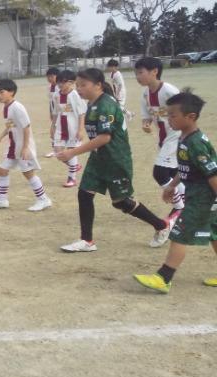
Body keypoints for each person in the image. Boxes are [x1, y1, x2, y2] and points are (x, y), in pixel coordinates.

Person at [57, 68, 171, 253]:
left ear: (98, 85)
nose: (79, 89)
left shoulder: (106, 105)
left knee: (121, 202)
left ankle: (162, 225)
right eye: (77, 85)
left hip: (115, 159)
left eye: (83, 85)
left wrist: (73, 152)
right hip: (98, 158)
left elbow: (104, 137)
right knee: (84, 194)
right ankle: (87, 241)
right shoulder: (92, 103)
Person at [134, 91, 217, 294]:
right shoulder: (184, 138)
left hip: (203, 199)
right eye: (168, 115)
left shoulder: (196, 143)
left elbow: (212, 174)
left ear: (191, 117)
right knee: (214, 234)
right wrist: (172, 186)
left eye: (173, 115)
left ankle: (163, 278)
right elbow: (186, 167)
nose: (168, 119)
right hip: (199, 197)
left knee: (179, 234)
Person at [0, 79, 52, 211]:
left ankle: (44, 199)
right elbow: (10, 126)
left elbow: (26, 127)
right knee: (2, 169)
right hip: (13, 146)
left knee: (28, 173)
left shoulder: (17, 107)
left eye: (1, 92)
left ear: (12, 92)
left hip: (22, 146)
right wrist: (0, 137)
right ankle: (2, 200)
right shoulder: (6, 107)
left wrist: (25, 147)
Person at [135, 57, 185, 219]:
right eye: (136, 73)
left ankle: (179, 207)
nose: (137, 76)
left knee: (160, 173)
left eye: (141, 72)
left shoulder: (169, 91)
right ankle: (186, 201)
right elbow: (147, 116)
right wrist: (146, 124)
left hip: (176, 137)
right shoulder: (145, 94)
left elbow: (186, 110)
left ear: (154, 71)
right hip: (163, 139)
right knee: (174, 173)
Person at [49, 70, 86, 187]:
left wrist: (80, 130)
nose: (60, 85)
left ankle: (72, 178)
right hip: (60, 127)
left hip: (73, 128)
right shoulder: (56, 95)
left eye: (63, 82)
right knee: (58, 152)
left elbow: (81, 113)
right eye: (59, 82)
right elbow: (56, 112)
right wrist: (52, 126)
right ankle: (74, 166)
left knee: (71, 152)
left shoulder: (75, 95)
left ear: (72, 82)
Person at [44, 67, 61, 158]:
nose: (49, 78)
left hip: (61, 112)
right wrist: (51, 112)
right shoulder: (49, 87)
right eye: (48, 77)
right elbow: (51, 102)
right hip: (54, 112)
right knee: (54, 131)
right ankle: (55, 150)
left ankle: (58, 150)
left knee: (57, 131)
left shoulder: (60, 87)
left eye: (51, 76)